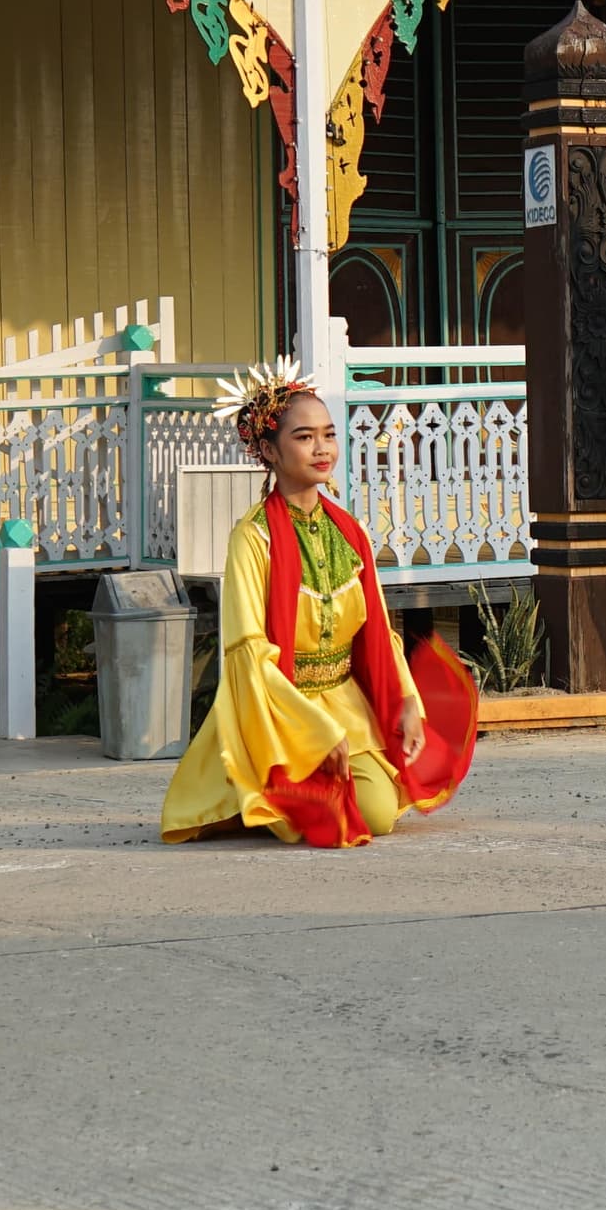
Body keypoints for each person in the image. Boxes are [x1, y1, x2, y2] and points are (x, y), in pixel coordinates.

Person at [161, 359, 478, 846]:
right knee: (328, 816)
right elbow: (248, 651)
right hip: (281, 710)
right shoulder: (253, 538)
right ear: (268, 449)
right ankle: (258, 786)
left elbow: (378, 631)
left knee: (375, 816)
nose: (322, 448)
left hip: (345, 698)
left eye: (328, 435)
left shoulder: (349, 532)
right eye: (304, 437)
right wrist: (313, 730)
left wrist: (407, 701)